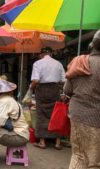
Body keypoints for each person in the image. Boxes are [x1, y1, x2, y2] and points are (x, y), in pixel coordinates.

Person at [64, 30, 100, 169]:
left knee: (78, 155)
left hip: (76, 114)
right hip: (95, 118)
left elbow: (67, 90)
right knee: (94, 162)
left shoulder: (78, 61)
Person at [30, 47, 65, 150]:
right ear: (51, 53)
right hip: (55, 89)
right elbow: (63, 80)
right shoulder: (58, 64)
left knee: (41, 114)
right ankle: (57, 143)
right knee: (56, 115)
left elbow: (35, 80)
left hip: (42, 90)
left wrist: (31, 89)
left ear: (41, 54)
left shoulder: (37, 63)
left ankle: (42, 142)